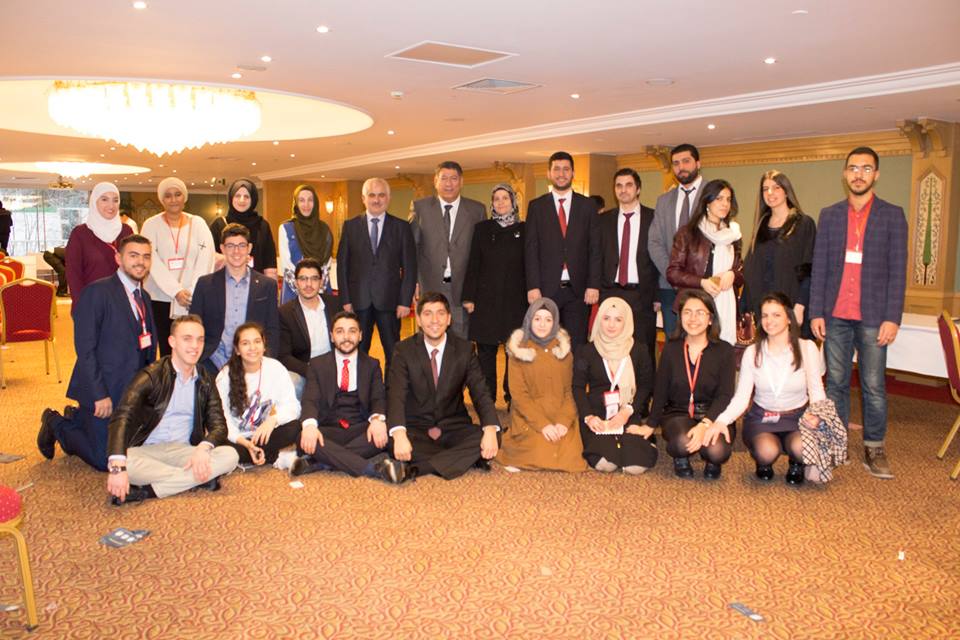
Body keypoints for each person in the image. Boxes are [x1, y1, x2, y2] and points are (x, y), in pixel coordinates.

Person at [810, 146, 908, 479]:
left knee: (873, 386)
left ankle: (874, 447)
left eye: (866, 169)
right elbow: (820, 267)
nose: (859, 174)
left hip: (873, 317)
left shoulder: (892, 215)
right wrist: (816, 312)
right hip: (835, 314)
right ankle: (837, 444)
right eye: (853, 168)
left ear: (876, 175)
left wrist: (892, 317)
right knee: (835, 384)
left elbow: (898, 272)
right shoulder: (830, 215)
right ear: (845, 173)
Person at [37, 235, 157, 471]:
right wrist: (98, 394)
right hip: (102, 389)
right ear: (118, 258)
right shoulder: (97, 292)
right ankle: (56, 423)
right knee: (105, 460)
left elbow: (148, 348)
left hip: (129, 390)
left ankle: (79, 417)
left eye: (146, 256)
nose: (140, 262)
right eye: (133, 255)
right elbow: (85, 349)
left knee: (135, 448)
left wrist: (147, 390)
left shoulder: (144, 297)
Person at [105, 315, 240, 505]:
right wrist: (118, 468)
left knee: (231, 456)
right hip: (147, 451)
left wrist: (203, 448)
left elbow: (219, 426)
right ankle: (197, 479)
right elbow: (122, 415)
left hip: (184, 451)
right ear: (172, 342)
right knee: (126, 463)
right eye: (187, 339)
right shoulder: (152, 375)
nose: (195, 346)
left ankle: (146, 491)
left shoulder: (206, 379)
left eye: (200, 340)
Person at [713, 293, 826, 484]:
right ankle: (764, 461)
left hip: (798, 417)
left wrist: (818, 416)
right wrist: (721, 421)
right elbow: (741, 397)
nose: (769, 321)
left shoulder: (807, 348)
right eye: (765, 315)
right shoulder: (753, 352)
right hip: (762, 418)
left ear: (789, 318)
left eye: (776, 315)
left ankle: (796, 462)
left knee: (801, 449)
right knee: (766, 452)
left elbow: (816, 390)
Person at [386, 292, 500, 480]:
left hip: (453, 426)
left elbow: (481, 393)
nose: (434, 320)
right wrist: (399, 434)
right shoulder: (403, 350)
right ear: (419, 320)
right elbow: (396, 395)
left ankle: (417, 468)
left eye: (440, 313)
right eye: (428, 314)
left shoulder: (465, 350)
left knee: (493, 434)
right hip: (417, 427)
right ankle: (463, 459)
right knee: (392, 440)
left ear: (449, 319)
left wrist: (489, 429)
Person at [290, 311, 405, 482]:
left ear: (360, 335)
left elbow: (378, 398)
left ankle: (321, 462)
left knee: (385, 433)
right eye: (340, 331)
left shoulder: (372, 364)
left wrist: (377, 420)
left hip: (360, 428)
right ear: (332, 336)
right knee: (303, 437)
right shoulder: (317, 364)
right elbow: (310, 399)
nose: (346, 337)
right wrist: (310, 426)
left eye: (352, 331)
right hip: (329, 428)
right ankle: (374, 469)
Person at [645, 290, 736, 479]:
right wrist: (651, 424)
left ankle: (710, 457)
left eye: (700, 312)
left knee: (717, 451)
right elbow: (660, 390)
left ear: (710, 319)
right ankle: (681, 457)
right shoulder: (671, 348)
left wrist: (705, 424)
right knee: (681, 443)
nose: (693, 318)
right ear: (680, 317)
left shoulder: (724, 350)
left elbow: (725, 395)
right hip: (678, 413)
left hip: (714, 414)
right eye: (687, 312)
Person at [497, 298, 586, 472]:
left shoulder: (564, 352)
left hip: (559, 413)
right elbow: (519, 396)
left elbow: (569, 392)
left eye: (548, 319)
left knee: (571, 457)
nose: (542, 324)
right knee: (541, 452)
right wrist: (542, 424)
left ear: (555, 322)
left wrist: (563, 421)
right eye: (537, 319)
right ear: (529, 320)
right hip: (529, 416)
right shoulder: (519, 351)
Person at [336, 177, 417, 367]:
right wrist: (346, 299)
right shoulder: (350, 226)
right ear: (363, 198)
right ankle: (361, 386)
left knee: (393, 353)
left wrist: (405, 301)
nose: (376, 200)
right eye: (372, 195)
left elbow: (410, 266)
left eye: (381, 195)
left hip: (390, 302)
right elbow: (343, 266)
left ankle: (391, 387)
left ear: (388, 198)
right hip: (358, 301)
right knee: (358, 352)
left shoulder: (401, 227)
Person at [573, 297, 657, 474]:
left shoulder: (639, 350)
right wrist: (588, 417)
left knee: (635, 466)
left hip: (627, 409)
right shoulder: (587, 350)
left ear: (626, 322)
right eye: (606, 318)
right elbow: (578, 387)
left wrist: (628, 411)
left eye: (618, 319)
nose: (611, 325)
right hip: (596, 415)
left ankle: (645, 444)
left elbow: (645, 385)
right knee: (605, 464)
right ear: (599, 320)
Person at [524, 151, 600, 345]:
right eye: (556, 169)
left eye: (566, 169)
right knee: (546, 343)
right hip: (546, 289)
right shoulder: (536, 206)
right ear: (549, 173)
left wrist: (593, 284)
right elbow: (531, 249)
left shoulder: (588, 206)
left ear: (573, 173)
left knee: (577, 344)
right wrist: (533, 286)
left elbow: (595, 248)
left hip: (579, 291)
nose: (561, 174)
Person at [462, 183, 527, 406]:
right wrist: (469, 297)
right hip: (485, 300)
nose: (501, 202)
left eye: (505, 198)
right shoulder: (482, 229)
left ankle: (512, 397)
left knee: (514, 351)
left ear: (513, 202)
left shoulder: (524, 229)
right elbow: (473, 264)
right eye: (497, 199)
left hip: (516, 300)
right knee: (486, 352)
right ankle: (487, 399)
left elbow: (530, 265)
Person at [190, 223, 280, 375]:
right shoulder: (205, 284)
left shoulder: (267, 285)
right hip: (212, 362)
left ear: (249, 248)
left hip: (253, 361)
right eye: (230, 246)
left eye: (241, 245)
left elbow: (273, 329)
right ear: (222, 248)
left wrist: (266, 363)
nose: (236, 251)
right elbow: (193, 325)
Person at [141, 178, 216, 357]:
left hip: (192, 298)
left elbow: (206, 256)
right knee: (167, 348)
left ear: (185, 197)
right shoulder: (151, 225)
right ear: (161, 199)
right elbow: (151, 259)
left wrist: (191, 291)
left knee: (192, 346)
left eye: (177, 194)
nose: (173, 200)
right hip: (161, 298)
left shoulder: (198, 223)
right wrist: (175, 291)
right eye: (168, 196)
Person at [411, 161, 486, 338]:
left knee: (460, 339)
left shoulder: (477, 210)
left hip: (463, 288)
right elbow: (412, 249)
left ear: (461, 181)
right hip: (429, 285)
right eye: (444, 178)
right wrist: (413, 282)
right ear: (435, 181)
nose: (449, 183)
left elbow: (482, 253)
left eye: (454, 178)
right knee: (429, 335)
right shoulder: (420, 208)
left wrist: (477, 289)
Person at [667, 178, 744, 346]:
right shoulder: (688, 233)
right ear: (707, 202)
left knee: (722, 354)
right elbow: (673, 273)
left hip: (726, 304)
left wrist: (733, 275)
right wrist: (702, 282)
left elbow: (741, 270)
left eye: (728, 199)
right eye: (719, 198)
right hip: (695, 305)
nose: (725, 204)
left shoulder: (733, 234)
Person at [741, 170, 817, 337]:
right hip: (764, 313)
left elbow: (809, 270)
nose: (770, 193)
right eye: (765, 189)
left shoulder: (803, 224)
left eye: (776, 187)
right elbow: (750, 270)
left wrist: (800, 306)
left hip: (791, 309)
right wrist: (745, 309)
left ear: (786, 191)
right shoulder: (761, 226)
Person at [215, 322, 302, 466]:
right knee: (220, 443)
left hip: (265, 434)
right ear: (237, 350)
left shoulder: (276, 368)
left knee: (294, 427)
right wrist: (244, 443)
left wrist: (273, 420)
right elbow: (222, 419)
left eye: (257, 341)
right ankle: (273, 455)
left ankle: (253, 455)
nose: (252, 348)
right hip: (238, 439)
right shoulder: (225, 376)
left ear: (264, 345)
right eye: (245, 343)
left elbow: (292, 406)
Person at [598, 168, 659, 367]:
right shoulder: (603, 220)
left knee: (643, 349)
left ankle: (644, 387)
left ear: (638, 189)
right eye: (619, 186)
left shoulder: (654, 218)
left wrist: (658, 295)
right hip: (610, 291)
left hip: (642, 294)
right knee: (611, 347)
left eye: (629, 185)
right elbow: (596, 256)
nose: (623, 190)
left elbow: (660, 258)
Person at [649, 144, 705, 336]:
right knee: (673, 342)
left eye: (686, 161)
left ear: (698, 163)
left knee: (703, 343)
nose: (681, 167)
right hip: (669, 286)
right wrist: (673, 275)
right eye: (676, 163)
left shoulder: (713, 195)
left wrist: (695, 279)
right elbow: (654, 243)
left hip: (703, 286)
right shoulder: (663, 201)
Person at [278, 258, 342, 396]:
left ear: (321, 282)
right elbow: (284, 356)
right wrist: (311, 371)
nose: (309, 284)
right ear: (296, 282)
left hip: (334, 366)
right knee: (292, 383)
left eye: (314, 279)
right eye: (303, 279)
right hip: (304, 370)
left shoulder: (335, 305)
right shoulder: (285, 313)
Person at [65, 182, 133, 307]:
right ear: (94, 202)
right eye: (104, 199)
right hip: (93, 303)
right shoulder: (80, 234)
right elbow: (73, 274)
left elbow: (133, 268)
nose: (111, 205)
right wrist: (82, 306)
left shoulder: (126, 231)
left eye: (115, 200)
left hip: (123, 302)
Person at [210, 179, 278, 279]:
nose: (242, 200)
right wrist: (229, 260)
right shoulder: (219, 225)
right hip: (224, 282)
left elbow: (269, 260)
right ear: (231, 198)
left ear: (253, 199)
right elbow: (209, 256)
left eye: (247, 196)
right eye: (237, 196)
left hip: (257, 283)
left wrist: (270, 285)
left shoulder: (262, 225)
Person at [278, 185, 334, 304]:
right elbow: (287, 266)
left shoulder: (324, 229)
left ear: (316, 203)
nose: (306, 205)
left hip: (321, 291)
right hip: (294, 293)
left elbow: (326, 265)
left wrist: (316, 289)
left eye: (310, 200)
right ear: (296, 203)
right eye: (301, 200)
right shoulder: (286, 228)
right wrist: (305, 289)